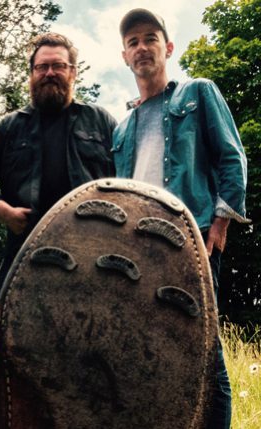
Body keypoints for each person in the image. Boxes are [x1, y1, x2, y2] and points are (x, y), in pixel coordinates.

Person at [114, 9, 250, 428]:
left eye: (150, 38)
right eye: (133, 41)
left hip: (193, 239)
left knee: (204, 347)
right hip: (141, 249)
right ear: (125, 56)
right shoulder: (123, 127)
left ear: (168, 47)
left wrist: (221, 222)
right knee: (148, 348)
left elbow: (232, 157)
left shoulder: (197, 93)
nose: (142, 47)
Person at [0, 32, 116, 301]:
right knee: (12, 334)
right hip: (25, 252)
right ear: (32, 74)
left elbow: (128, 181)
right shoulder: (10, 127)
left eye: (58, 66)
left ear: (73, 72)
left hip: (92, 253)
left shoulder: (100, 121)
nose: (49, 73)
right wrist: (3, 212)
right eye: (42, 67)